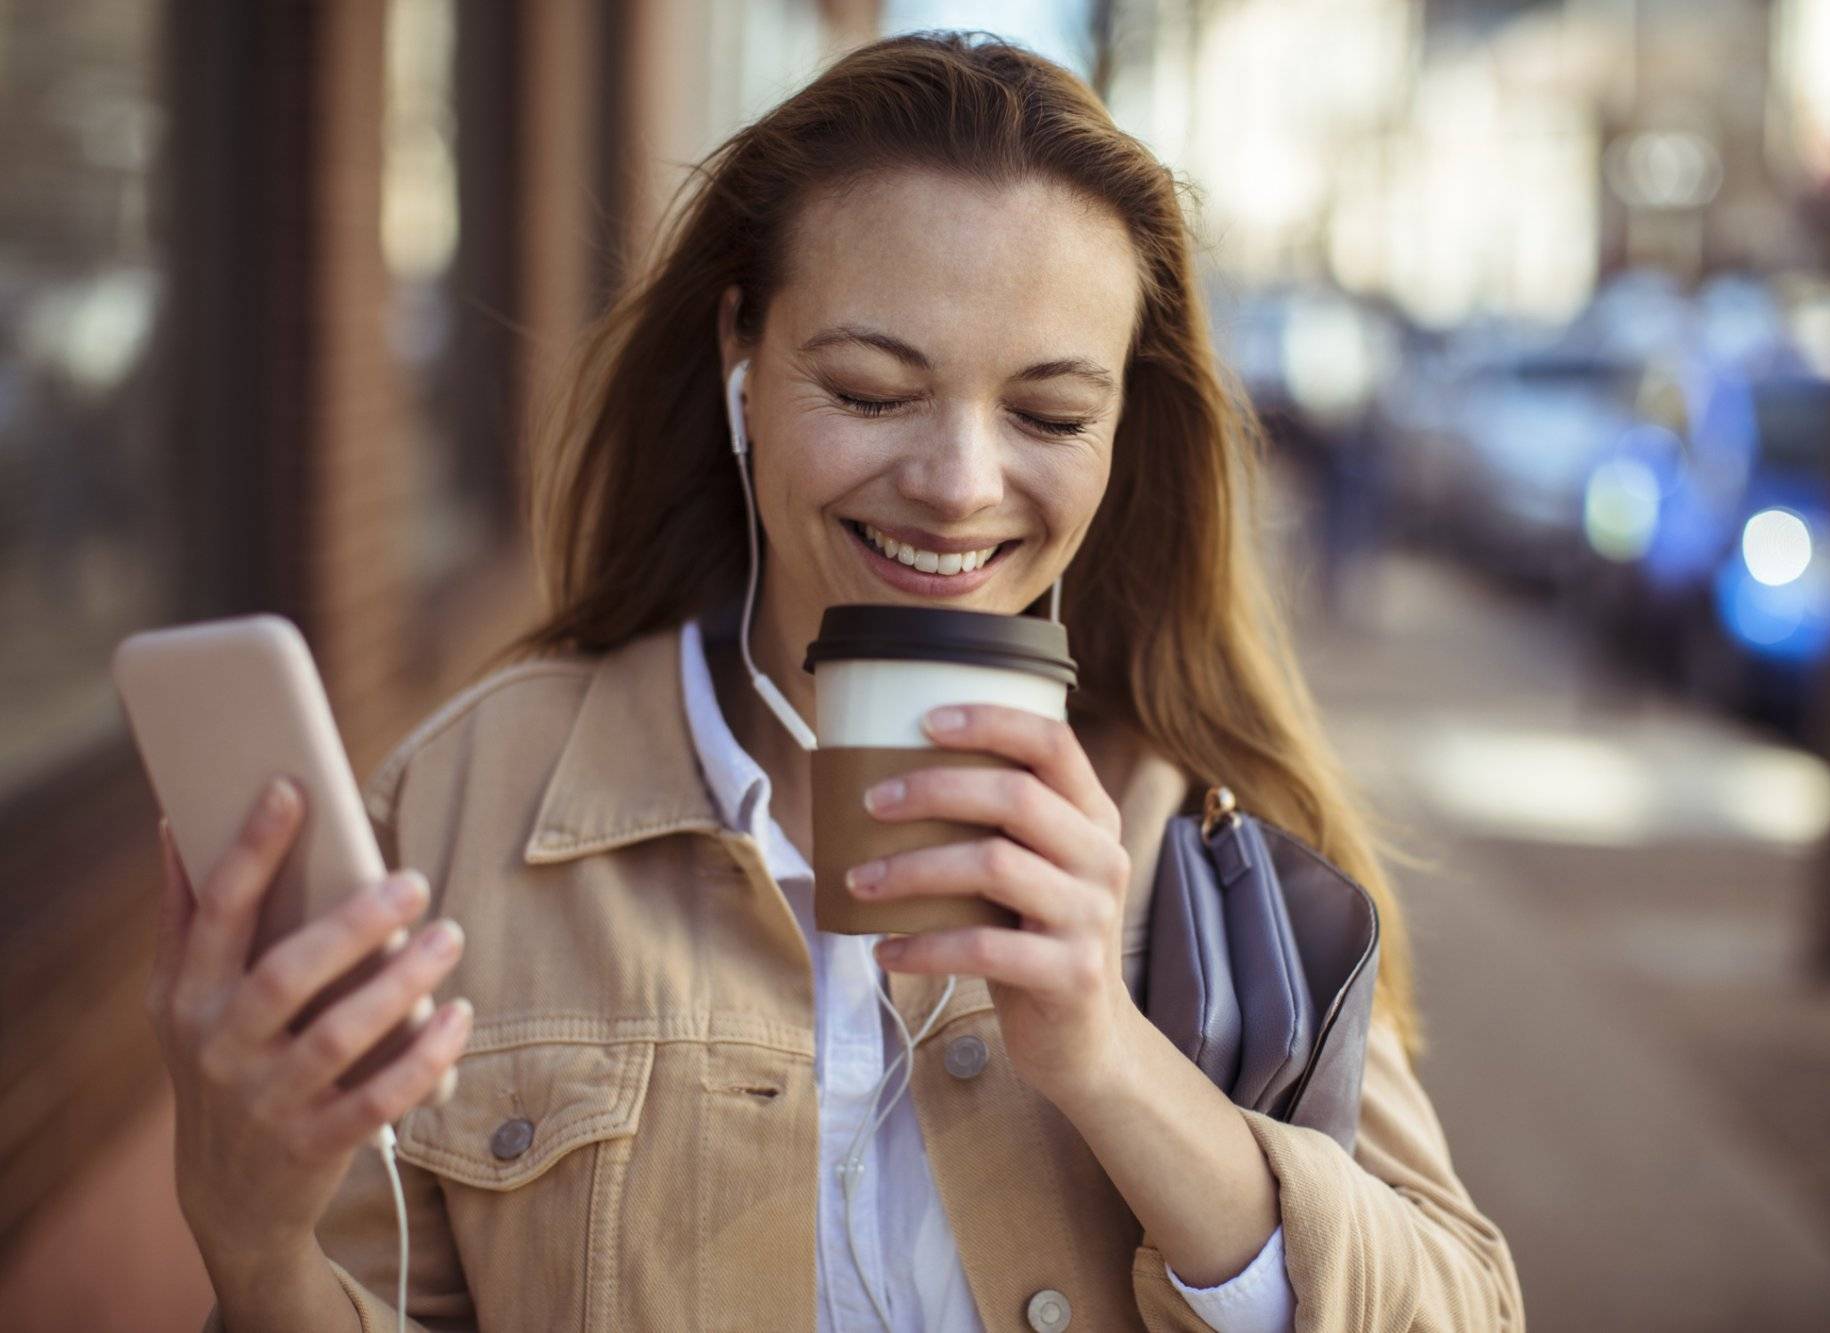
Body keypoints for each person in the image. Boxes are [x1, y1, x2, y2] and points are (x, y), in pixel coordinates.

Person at [151, 31, 1521, 1331]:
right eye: (871, 390)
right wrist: (256, 1242)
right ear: (742, 356)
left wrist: (1108, 1055)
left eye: (1050, 413)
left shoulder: (1203, 840)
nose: (960, 484)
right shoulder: (467, 806)